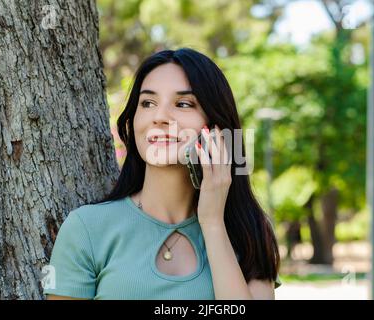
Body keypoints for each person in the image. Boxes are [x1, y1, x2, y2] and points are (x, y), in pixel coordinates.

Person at [44, 48, 281, 300]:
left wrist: (213, 223)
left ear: (216, 128)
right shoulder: (86, 228)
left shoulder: (250, 229)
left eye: (183, 104)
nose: (159, 117)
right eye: (147, 103)